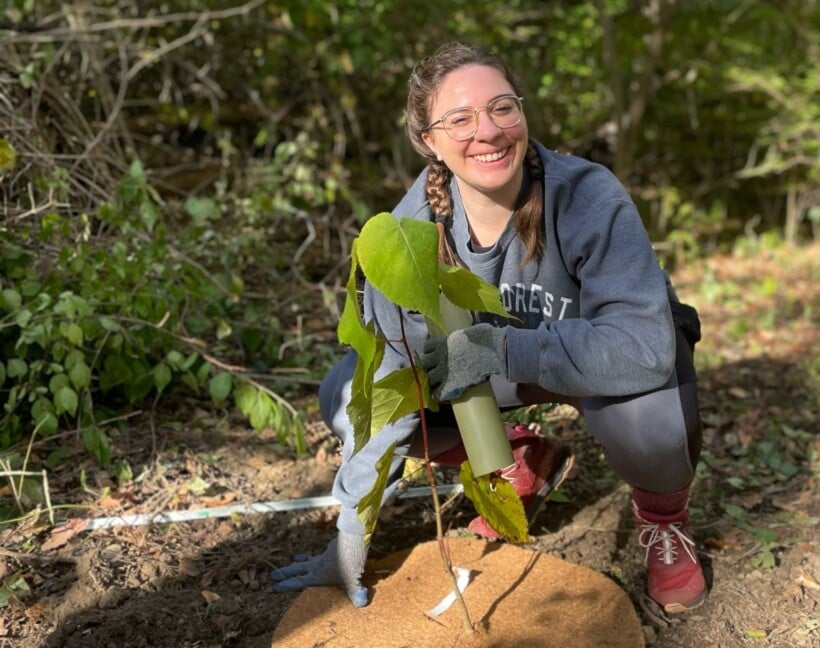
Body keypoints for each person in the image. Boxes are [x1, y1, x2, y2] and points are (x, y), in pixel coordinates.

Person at [270, 41, 706, 614]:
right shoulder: (408, 233)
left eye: (502, 107)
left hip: (590, 358)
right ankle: (517, 458)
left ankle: (664, 524)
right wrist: (351, 534)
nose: (489, 131)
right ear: (429, 140)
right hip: (488, 369)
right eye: (459, 118)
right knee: (348, 392)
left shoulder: (586, 197)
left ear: (521, 113)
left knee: (652, 421)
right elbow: (391, 382)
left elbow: (643, 346)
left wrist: (504, 347)